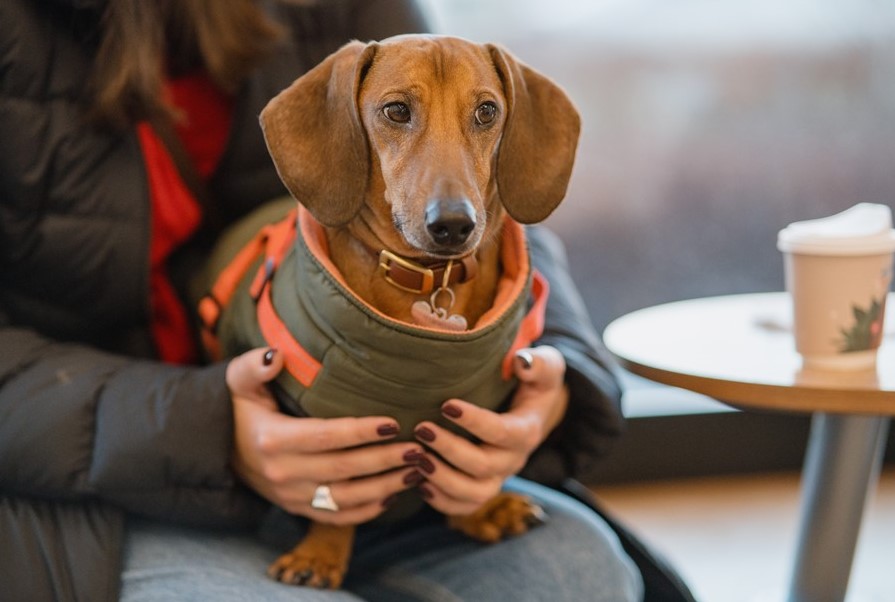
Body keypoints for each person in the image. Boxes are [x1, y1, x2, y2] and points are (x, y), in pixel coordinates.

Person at [0, 1, 643, 600]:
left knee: (581, 573)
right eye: (397, 113)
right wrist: (211, 434)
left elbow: (492, 206)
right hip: (89, 473)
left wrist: (553, 373)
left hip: (391, 469)